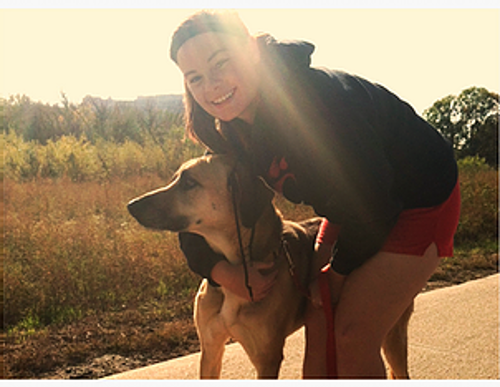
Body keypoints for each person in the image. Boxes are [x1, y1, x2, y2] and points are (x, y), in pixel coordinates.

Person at [168, 10, 460, 378]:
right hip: (351, 208)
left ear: (251, 50)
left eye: (221, 63)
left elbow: (373, 202)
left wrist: (336, 273)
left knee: (353, 333)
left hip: (417, 199)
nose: (211, 85)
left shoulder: (314, 102)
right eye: (195, 78)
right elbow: (195, 210)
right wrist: (223, 272)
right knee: (317, 310)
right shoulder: (232, 130)